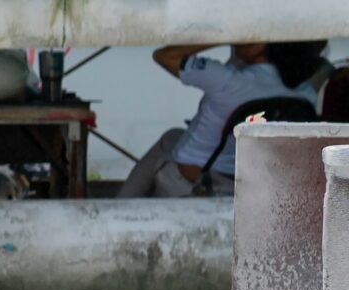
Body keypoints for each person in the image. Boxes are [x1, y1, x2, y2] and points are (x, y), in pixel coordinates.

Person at [117, 41, 325, 198]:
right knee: (173, 136)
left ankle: (121, 207)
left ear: (260, 46)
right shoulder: (305, 94)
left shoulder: (228, 79)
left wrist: (220, 35)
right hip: (240, 185)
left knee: (168, 142)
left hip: (191, 183)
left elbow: (163, 55)